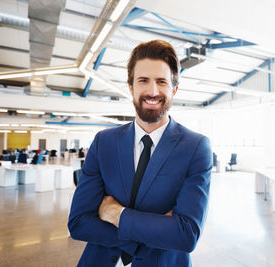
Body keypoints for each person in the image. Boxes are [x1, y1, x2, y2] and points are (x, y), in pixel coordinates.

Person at [68, 40, 212, 267]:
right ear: (131, 87)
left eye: (161, 82)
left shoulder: (195, 147)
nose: (152, 91)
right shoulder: (103, 142)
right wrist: (155, 231)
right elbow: (78, 223)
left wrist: (117, 215)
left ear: (174, 89)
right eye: (143, 80)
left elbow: (186, 234)